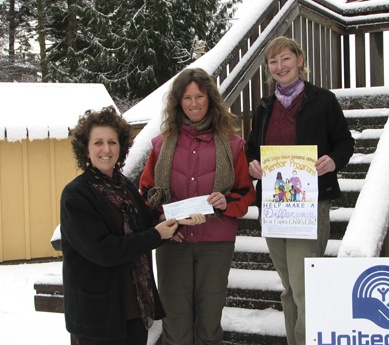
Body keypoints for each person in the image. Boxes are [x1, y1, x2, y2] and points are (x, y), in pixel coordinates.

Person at [60, 106, 203, 345]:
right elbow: (103, 250)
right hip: (97, 315)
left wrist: (174, 220)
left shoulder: (124, 186)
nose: (106, 149)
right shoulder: (76, 195)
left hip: (135, 307)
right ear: (85, 148)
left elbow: (146, 221)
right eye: (98, 143)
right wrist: (155, 235)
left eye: (113, 142)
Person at [245, 36, 355, 345]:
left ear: (300, 60)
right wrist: (253, 163)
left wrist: (332, 160)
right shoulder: (265, 107)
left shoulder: (323, 101)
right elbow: (252, 150)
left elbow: (345, 142)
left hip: (309, 204)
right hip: (274, 205)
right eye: (273, 61)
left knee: (305, 285)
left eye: (285, 59)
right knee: (289, 288)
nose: (280, 66)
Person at [139, 67, 256, 345]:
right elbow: (146, 192)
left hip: (216, 246)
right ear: (178, 102)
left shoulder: (233, 145)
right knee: (176, 328)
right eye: (187, 98)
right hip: (173, 243)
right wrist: (164, 224)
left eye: (200, 96)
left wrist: (225, 202)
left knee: (208, 326)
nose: (194, 104)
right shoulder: (161, 145)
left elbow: (246, 194)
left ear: (210, 99)